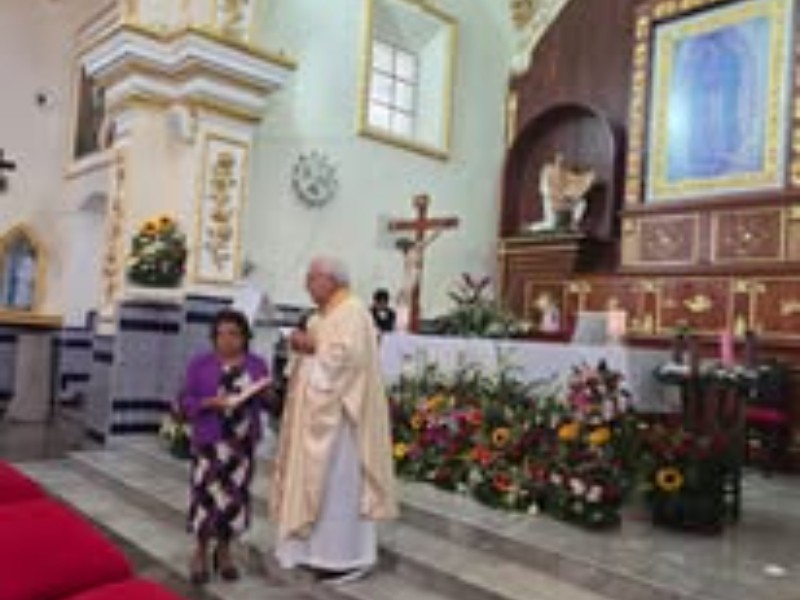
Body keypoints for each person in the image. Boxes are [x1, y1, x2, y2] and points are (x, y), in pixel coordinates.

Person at [270, 256, 398, 583]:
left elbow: (347, 360)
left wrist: (310, 345)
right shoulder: (322, 315)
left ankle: (345, 556)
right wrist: (303, 345)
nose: (307, 284)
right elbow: (313, 356)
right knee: (318, 488)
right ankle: (312, 551)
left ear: (331, 280)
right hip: (314, 416)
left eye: (312, 278)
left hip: (341, 423)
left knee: (338, 489)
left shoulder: (353, 311)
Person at [180, 308, 270, 585]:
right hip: (209, 442)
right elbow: (183, 403)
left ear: (245, 337)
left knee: (233, 500)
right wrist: (209, 403)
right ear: (213, 337)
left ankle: (225, 551)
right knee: (206, 499)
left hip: (241, 446)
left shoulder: (257, 365)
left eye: (234, 334)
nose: (227, 340)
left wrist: (267, 393)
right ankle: (200, 552)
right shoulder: (200, 364)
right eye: (220, 334)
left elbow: (268, 403)